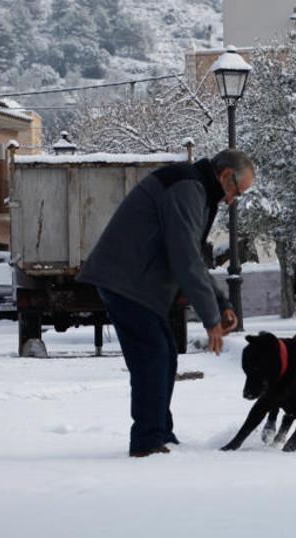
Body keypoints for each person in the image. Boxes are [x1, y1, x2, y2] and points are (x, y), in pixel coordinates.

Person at [78, 149, 255, 457]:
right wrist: (211, 318)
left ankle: (160, 433)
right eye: (236, 192)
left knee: (164, 355)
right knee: (153, 356)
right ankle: (147, 442)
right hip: (126, 281)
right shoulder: (187, 187)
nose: (232, 201)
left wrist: (221, 303)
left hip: (135, 283)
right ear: (226, 175)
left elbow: (193, 257)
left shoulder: (196, 189)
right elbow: (185, 257)